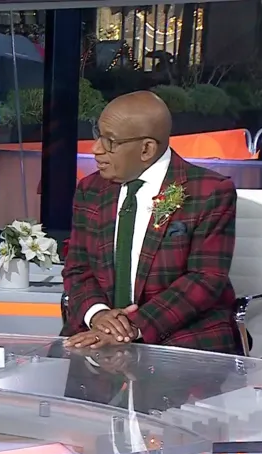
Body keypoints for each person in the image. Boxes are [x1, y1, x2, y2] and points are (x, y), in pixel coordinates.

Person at [62, 90, 239, 354]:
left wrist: (133, 327)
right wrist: (98, 316)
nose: (96, 149)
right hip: (96, 334)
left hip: (181, 336)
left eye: (110, 141)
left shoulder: (210, 191)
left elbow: (205, 278)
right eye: (98, 135)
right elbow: (78, 268)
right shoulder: (90, 189)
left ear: (146, 149)